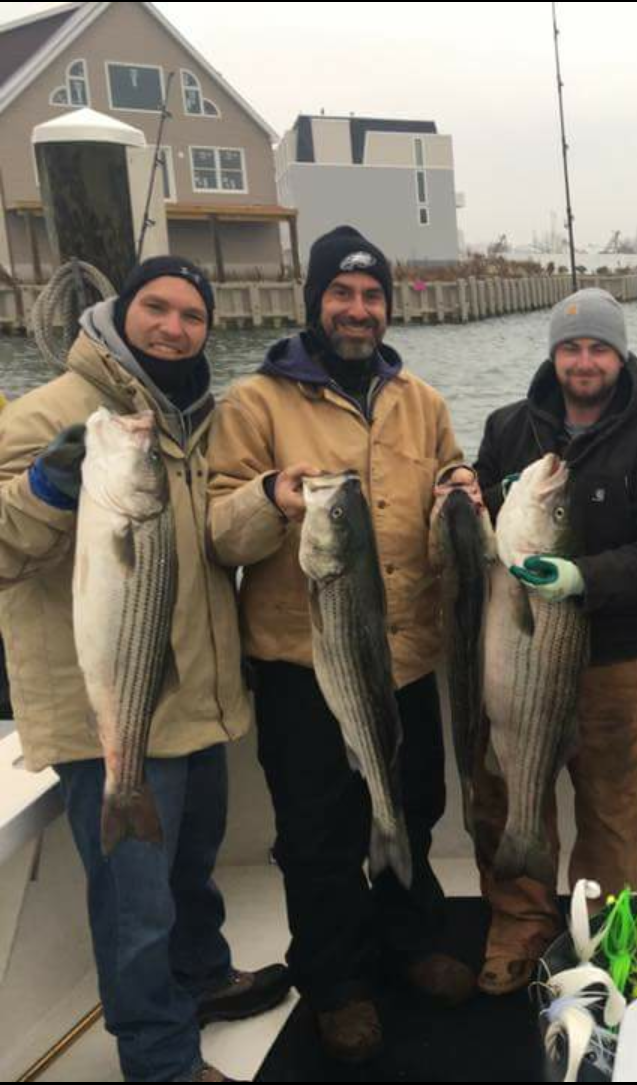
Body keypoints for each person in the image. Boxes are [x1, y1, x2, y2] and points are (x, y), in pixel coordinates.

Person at [0, 257, 288, 1082]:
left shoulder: (198, 416)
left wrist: (267, 498)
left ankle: (202, 978)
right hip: (108, 708)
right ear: (121, 313)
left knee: (191, 865)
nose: (173, 326)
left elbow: (210, 542)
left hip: (193, 691)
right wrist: (46, 489)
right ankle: (160, 1059)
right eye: (156, 308)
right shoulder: (51, 413)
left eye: (192, 314)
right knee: (137, 905)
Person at [206, 227, 476, 1063]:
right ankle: (338, 983)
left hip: (405, 656)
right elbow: (219, 530)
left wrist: (460, 492)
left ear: (387, 307)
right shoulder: (257, 402)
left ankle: (410, 938)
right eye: (342, 295)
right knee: (318, 837)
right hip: (303, 666)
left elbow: (450, 474)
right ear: (314, 300)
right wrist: (269, 497)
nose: (358, 311)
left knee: (413, 808)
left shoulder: (420, 399)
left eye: (371, 297)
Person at [470, 287, 637, 994]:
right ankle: (520, 922)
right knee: (508, 789)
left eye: (598, 347)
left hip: (617, 660)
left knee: (608, 804)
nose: (584, 360)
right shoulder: (509, 427)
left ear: (620, 354)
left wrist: (582, 574)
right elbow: (477, 512)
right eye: (571, 347)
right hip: (517, 648)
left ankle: (605, 935)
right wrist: (463, 496)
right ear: (553, 353)